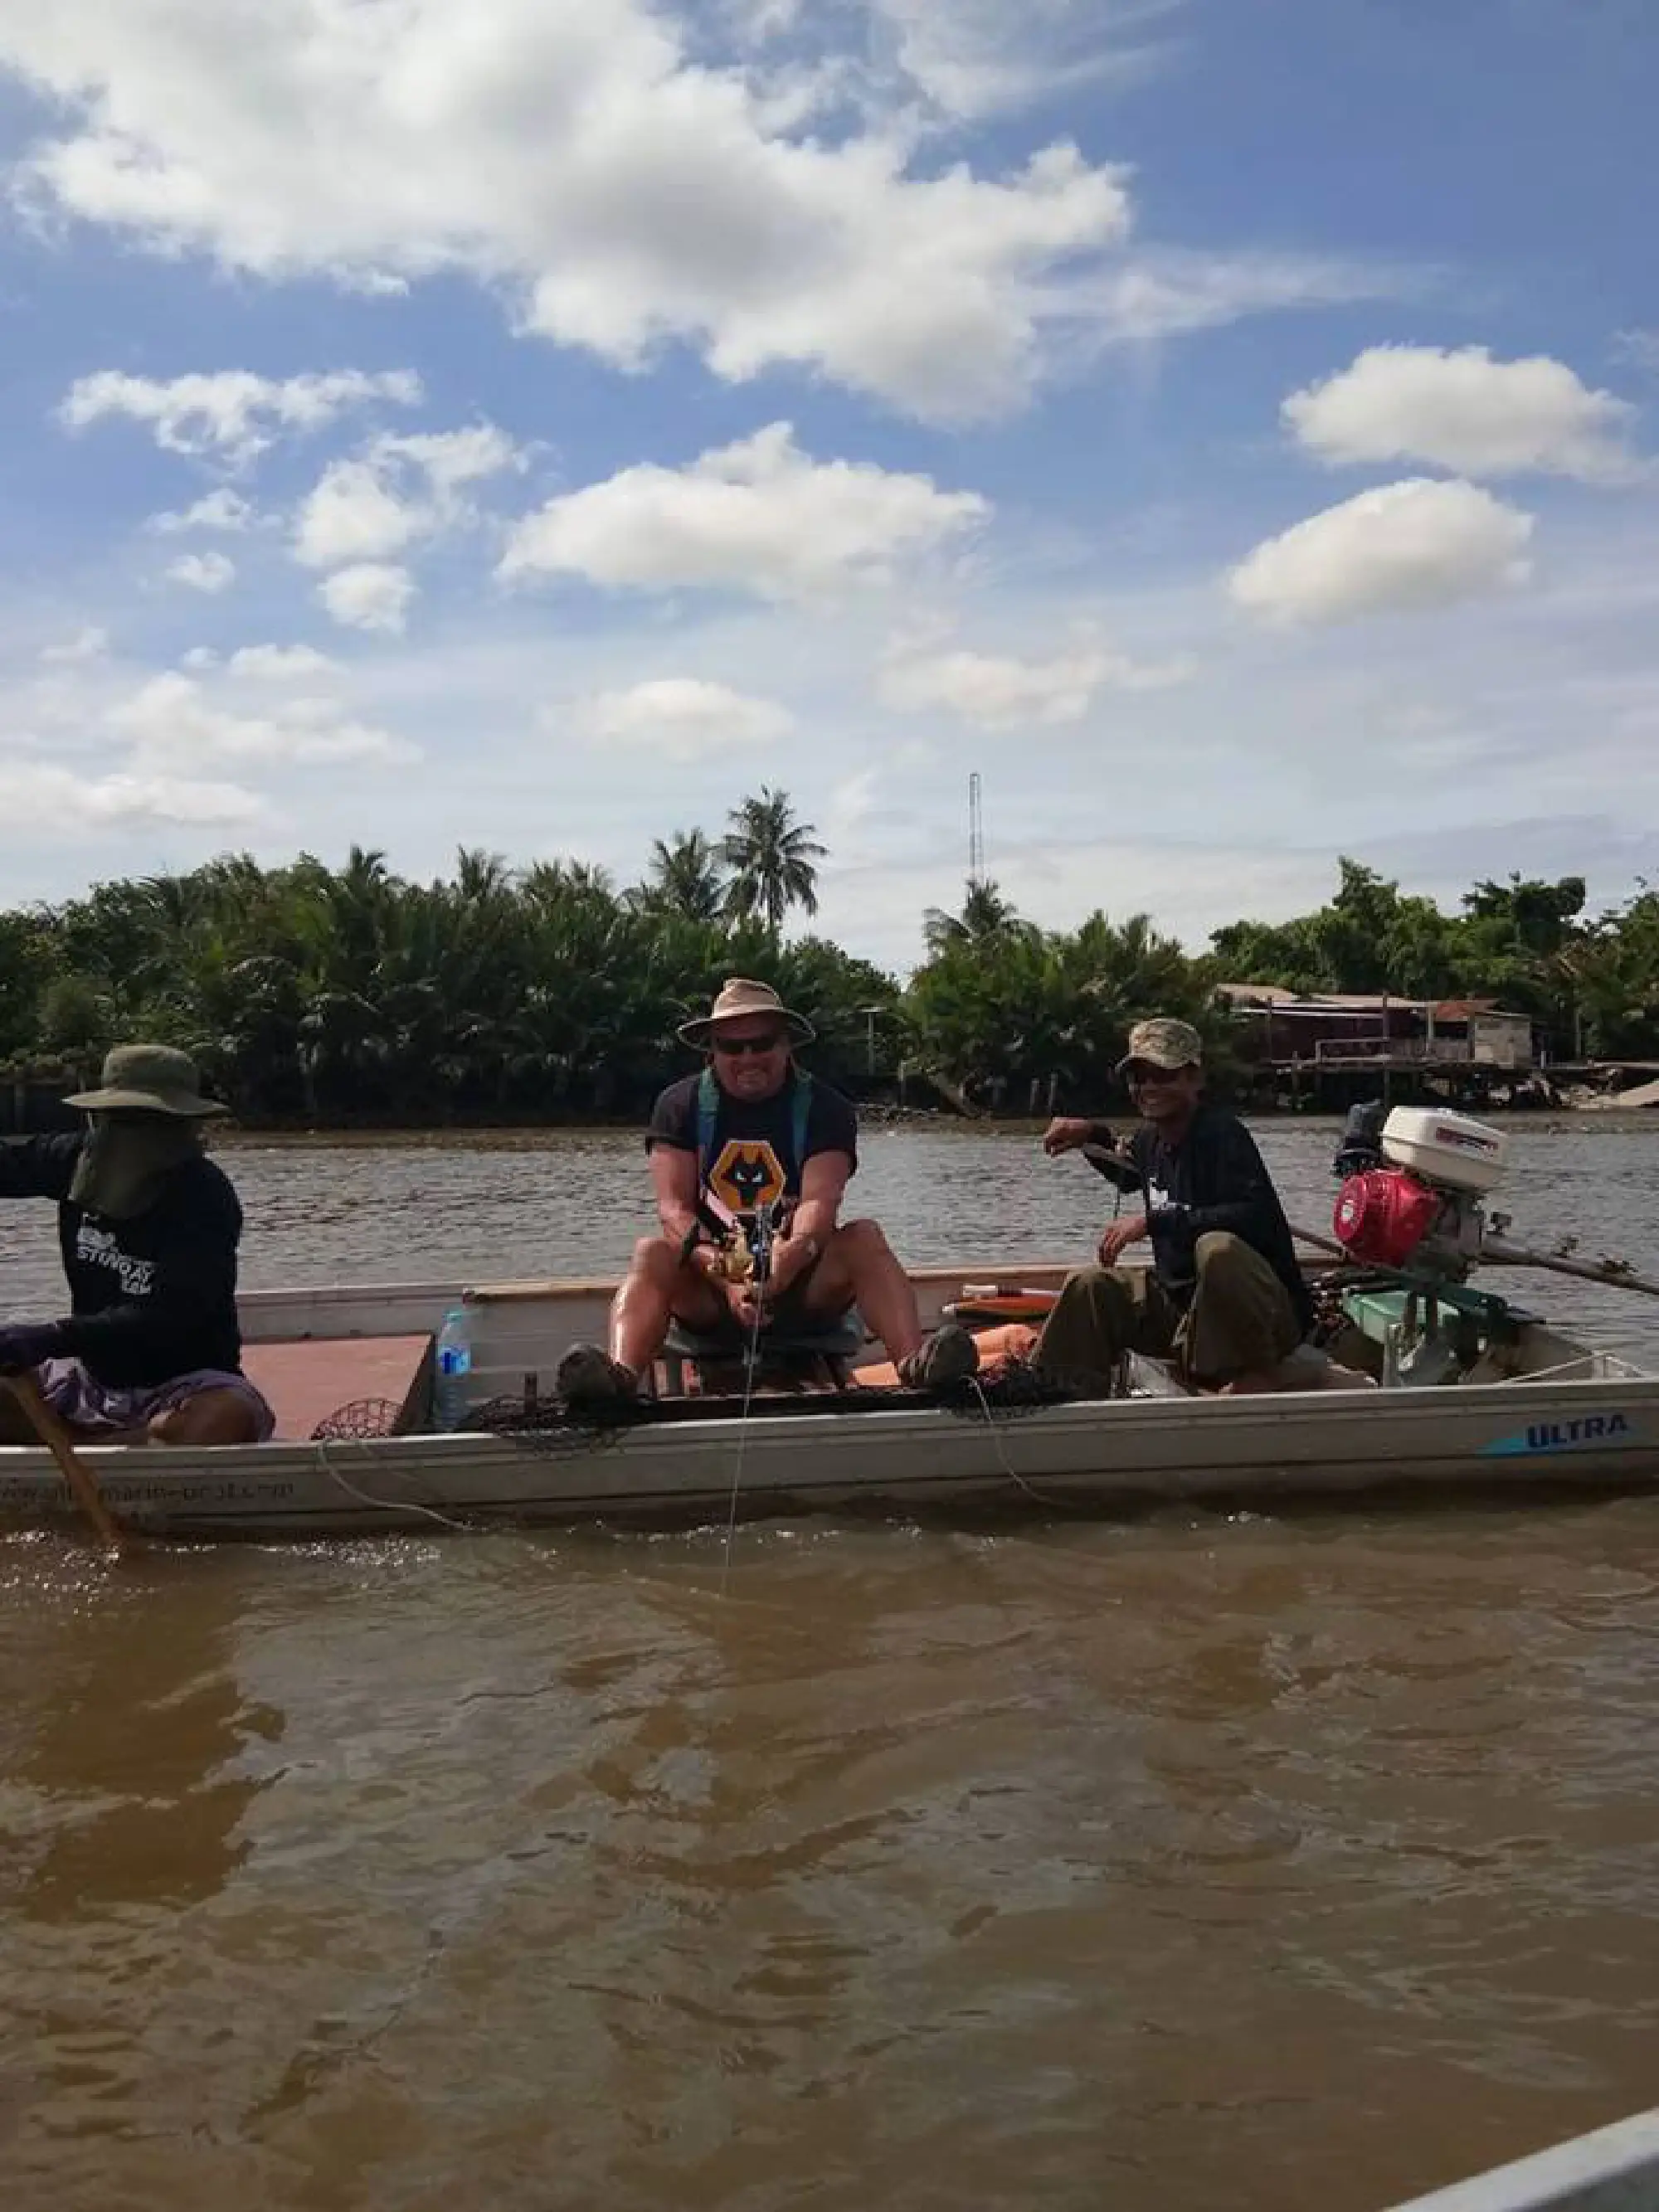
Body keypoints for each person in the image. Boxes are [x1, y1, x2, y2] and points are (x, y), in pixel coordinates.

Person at [557, 978, 976, 1403]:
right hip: (710, 1284)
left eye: (762, 1044)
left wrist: (787, 1263)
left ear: (786, 1044)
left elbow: (819, 1203)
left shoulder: (825, 1108)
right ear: (712, 1051)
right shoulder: (678, 1106)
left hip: (802, 1286)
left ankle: (916, 1367)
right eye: (731, 1048)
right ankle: (619, 1378)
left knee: (864, 1237)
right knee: (651, 1252)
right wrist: (728, 1276)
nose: (748, 1057)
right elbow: (674, 1211)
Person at [0, 1045, 274, 1446]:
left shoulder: (202, 1194)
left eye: (155, 1122)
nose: (138, 1137)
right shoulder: (74, 1160)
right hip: (90, 1382)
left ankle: (93, 1447)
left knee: (222, 1417)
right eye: (124, 1120)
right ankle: (113, 1447)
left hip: (185, 1385)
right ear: (102, 1118)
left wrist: (55, 1336)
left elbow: (170, 1314)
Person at [1035, 1016, 1314, 1395]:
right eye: (1139, 1077)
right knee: (1089, 1285)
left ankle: (1246, 1376)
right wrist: (1089, 1134)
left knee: (1218, 1248)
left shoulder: (1223, 1135)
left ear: (1194, 1079)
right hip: (1183, 1310)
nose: (1149, 1087)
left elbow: (1255, 1215)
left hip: (1264, 1322)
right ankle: (1048, 1392)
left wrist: (1155, 1222)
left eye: (1163, 1075)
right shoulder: (1151, 1138)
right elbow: (1128, 1171)